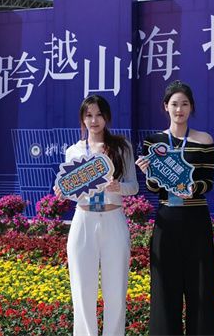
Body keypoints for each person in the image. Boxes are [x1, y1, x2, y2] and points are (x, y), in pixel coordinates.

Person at [136, 80, 214, 335]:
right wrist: (148, 173)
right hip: (167, 219)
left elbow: (209, 181)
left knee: (200, 288)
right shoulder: (154, 142)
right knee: (164, 289)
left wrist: (192, 189)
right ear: (165, 107)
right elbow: (153, 187)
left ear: (191, 107)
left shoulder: (204, 140)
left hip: (196, 219)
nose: (179, 109)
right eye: (174, 104)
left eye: (184, 104)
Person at [53, 94, 138, 336]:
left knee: (116, 290)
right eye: (88, 115)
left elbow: (133, 186)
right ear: (82, 119)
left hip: (113, 220)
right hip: (84, 221)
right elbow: (73, 192)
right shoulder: (74, 151)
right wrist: (63, 192)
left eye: (99, 115)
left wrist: (118, 187)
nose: (94, 120)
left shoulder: (122, 147)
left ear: (107, 117)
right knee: (82, 291)